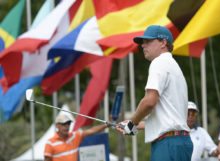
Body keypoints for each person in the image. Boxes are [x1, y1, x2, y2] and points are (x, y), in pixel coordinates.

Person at [116, 25, 193, 161]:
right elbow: (170, 117)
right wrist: (136, 124)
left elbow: (149, 101)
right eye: (142, 43)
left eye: (148, 42)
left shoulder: (159, 62)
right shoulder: (175, 67)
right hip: (181, 142)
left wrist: (132, 123)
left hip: (167, 144)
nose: (143, 46)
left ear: (163, 43)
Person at [44, 114, 108, 161]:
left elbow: (92, 130)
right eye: (64, 124)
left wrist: (106, 125)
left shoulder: (74, 136)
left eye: (68, 123)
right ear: (57, 126)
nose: (67, 126)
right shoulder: (50, 143)